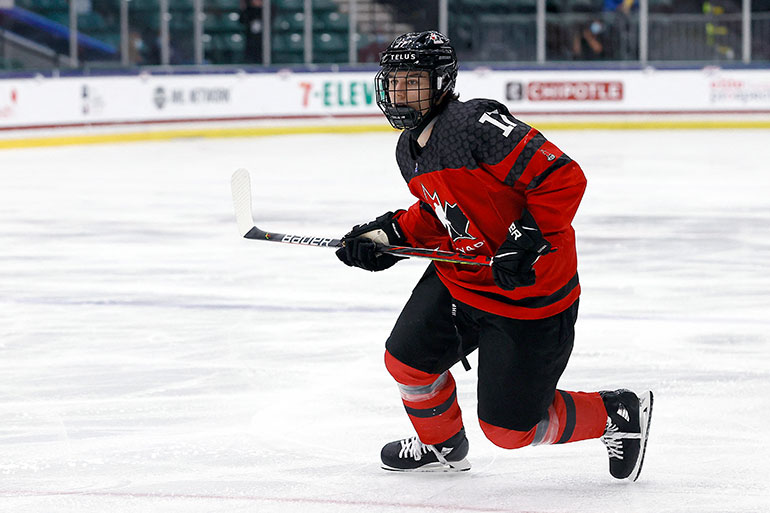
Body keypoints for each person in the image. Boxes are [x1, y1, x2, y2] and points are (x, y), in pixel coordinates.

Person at [335, 30, 653, 480]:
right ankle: (441, 443)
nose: (400, 92)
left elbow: (562, 177)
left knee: (510, 431)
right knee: (406, 363)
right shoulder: (408, 150)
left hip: (528, 293)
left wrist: (525, 238)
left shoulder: (474, 125)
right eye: (394, 81)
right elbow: (440, 213)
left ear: (442, 82)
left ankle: (615, 412)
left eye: (413, 80)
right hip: (460, 279)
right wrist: (385, 237)